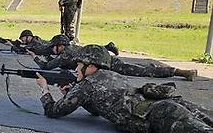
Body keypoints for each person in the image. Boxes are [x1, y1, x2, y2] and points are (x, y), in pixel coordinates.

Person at [36, 45, 213, 133]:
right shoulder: (112, 75)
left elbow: (53, 111)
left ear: (90, 66)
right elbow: (99, 107)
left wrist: (45, 89)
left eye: (79, 65)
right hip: (167, 103)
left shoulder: (87, 85)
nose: (76, 69)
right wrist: (72, 95)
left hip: (160, 114)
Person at [34, 34, 197, 81]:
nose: (53, 51)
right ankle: (158, 68)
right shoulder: (72, 48)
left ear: (60, 46)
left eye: (54, 48)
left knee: (143, 72)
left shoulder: (66, 54)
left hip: (109, 65)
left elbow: (46, 67)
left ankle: (182, 72)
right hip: (105, 61)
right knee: (141, 70)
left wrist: (35, 57)